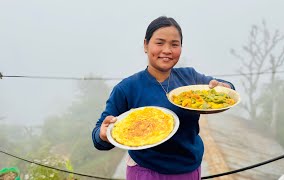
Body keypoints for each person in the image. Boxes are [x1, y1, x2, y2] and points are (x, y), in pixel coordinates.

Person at [92, 16, 235, 180]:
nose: (167, 50)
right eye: (159, 43)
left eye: (174, 44)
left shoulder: (190, 78)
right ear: (146, 45)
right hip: (145, 171)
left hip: (188, 170)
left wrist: (226, 88)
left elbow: (223, 88)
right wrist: (103, 134)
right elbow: (99, 136)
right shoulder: (127, 88)